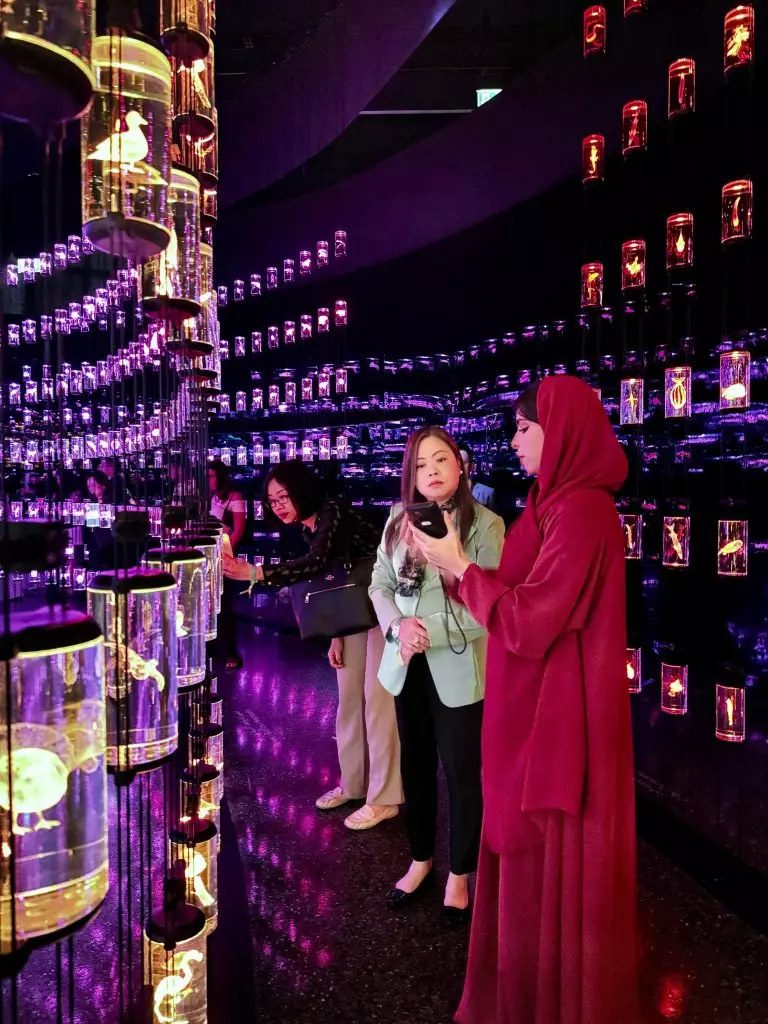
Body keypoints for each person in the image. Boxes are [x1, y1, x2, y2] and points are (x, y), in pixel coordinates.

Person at [411, 377, 638, 1023]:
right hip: (533, 705)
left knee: (551, 853)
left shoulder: (583, 511)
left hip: (560, 714)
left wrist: (462, 567)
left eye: (524, 427)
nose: (514, 440)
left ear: (559, 430)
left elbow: (532, 620)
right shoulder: (550, 504)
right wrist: (457, 570)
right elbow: (513, 592)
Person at [369, 427, 504, 923]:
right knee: (416, 767)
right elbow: (379, 584)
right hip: (407, 663)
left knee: (462, 774)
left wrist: (428, 631)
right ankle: (421, 859)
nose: (431, 470)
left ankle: (460, 872)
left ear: (460, 465)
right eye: (421, 463)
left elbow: (490, 608)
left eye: (441, 459)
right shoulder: (396, 519)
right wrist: (398, 628)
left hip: (458, 666)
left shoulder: (485, 524)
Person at [223, 460, 402, 831]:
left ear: (302, 490)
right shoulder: (309, 525)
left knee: (377, 704)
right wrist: (337, 634)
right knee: (349, 702)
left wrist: (256, 572)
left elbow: (319, 563)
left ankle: (385, 798)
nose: (278, 506)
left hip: (385, 608)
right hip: (357, 612)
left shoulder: (332, 512)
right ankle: (354, 784)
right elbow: (334, 579)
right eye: (272, 501)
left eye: (284, 497)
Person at [208, 460, 247, 670]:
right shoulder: (210, 497)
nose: (209, 480)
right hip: (209, 555)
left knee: (224, 604)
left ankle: (231, 652)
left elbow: (239, 529)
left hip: (225, 555)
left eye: (212, 476)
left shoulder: (235, 497)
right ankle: (212, 647)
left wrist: (224, 553)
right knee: (210, 603)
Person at [459, 443, 496, 511]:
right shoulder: (443, 493)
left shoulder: (487, 493)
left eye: (463, 463)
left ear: (471, 466)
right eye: (456, 463)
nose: (459, 467)